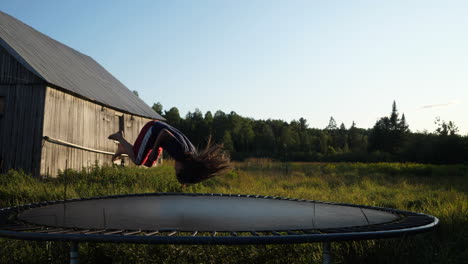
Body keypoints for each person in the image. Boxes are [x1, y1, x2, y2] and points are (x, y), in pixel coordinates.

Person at [108, 120, 231, 186]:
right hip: (153, 130)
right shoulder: (181, 152)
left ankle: (123, 149)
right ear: (184, 167)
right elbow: (165, 133)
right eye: (177, 170)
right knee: (138, 160)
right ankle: (120, 138)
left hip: (158, 137)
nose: (175, 168)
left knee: (149, 163)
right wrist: (155, 149)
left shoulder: (191, 155)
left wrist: (185, 181)